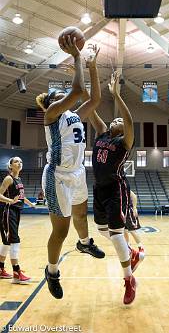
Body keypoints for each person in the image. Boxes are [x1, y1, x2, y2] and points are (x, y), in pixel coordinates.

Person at [36, 37, 104, 299]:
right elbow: (77, 92)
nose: (63, 95)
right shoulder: (52, 113)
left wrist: (93, 65)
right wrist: (76, 57)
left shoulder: (74, 115)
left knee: (81, 216)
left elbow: (95, 99)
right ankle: (52, 271)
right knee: (61, 230)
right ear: (52, 101)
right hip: (58, 177)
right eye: (58, 94)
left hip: (78, 173)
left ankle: (85, 243)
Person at [80, 71, 141, 305]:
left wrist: (116, 95)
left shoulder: (124, 142)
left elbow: (129, 121)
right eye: (113, 120)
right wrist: (84, 75)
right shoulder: (102, 132)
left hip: (116, 188)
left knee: (116, 235)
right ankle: (131, 252)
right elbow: (91, 107)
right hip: (99, 188)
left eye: (119, 122)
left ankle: (128, 280)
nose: (115, 121)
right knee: (101, 229)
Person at [0, 157, 35, 283]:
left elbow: (21, 196)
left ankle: (0, 269)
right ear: (10, 165)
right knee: (14, 240)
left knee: (7, 242)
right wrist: (10, 201)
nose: (19, 163)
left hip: (16, 211)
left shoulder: (19, 179)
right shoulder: (9, 178)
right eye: (16, 161)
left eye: (21, 161)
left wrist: (30, 204)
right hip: (8, 211)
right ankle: (16, 273)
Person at [124, 190, 145, 271]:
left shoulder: (123, 185)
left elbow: (134, 196)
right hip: (122, 211)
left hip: (129, 210)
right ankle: (128, 247)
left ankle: (141, 248)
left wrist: (135, 208)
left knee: (132, 230)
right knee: (124, 230)